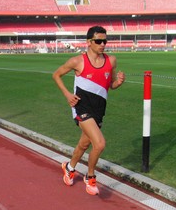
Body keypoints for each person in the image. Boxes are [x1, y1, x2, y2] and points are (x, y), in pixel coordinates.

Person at [52, 26, 126, 195]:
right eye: (98, 41)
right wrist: (67, 95)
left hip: (99, 109)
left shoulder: (111, 61)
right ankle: (90, 176)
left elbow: (110, 85)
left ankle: (69, 168)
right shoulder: (78, 61)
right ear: (89, 42)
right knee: (99, 144)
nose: (102, 44)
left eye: (105, 41)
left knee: (83, 144)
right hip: (81, 107)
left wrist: (119, 83)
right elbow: (56, 75)